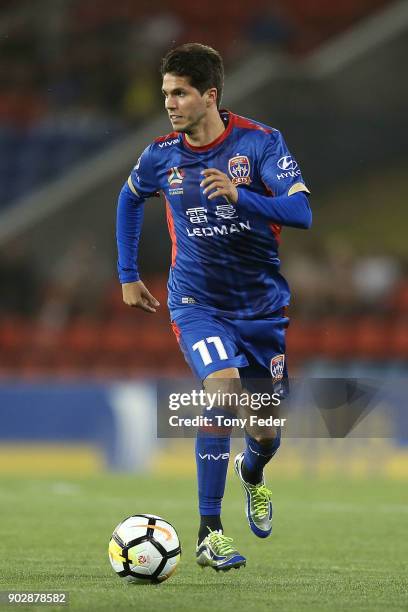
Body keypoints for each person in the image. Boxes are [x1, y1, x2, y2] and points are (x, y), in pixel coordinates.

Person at [116, 43, 311, 571]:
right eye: (166, 94)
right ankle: (209, 532)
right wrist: (128, 274)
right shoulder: (161, 155)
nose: (171, 104)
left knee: (267, 430)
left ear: (210, 96)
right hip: (196, 303)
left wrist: (241, 197)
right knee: (221, 388)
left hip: (262, 310)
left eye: (180, 93)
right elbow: (129, 198)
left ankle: (253, 473)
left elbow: (301, 210)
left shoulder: (261, 143)